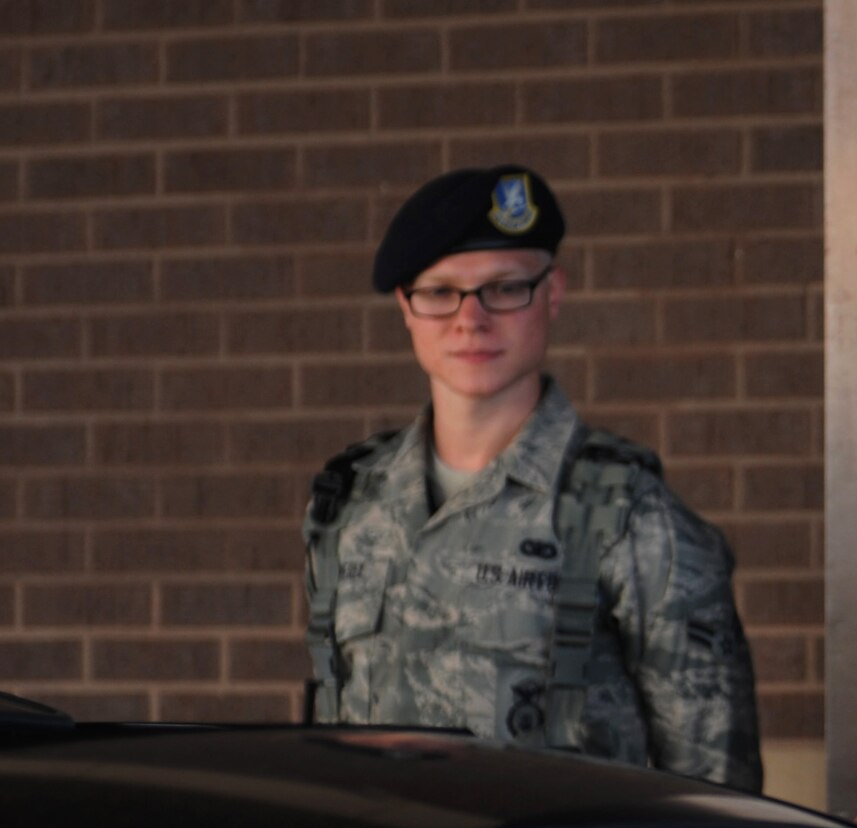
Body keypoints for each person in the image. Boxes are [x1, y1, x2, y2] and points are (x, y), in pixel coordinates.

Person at [303, 165, 761, 791]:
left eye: (504, 288)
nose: (470, 320)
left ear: (552, 293)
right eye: (439, 292)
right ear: (405, 308)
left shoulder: (630, 516)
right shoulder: (348, 502)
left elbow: (719, 797)